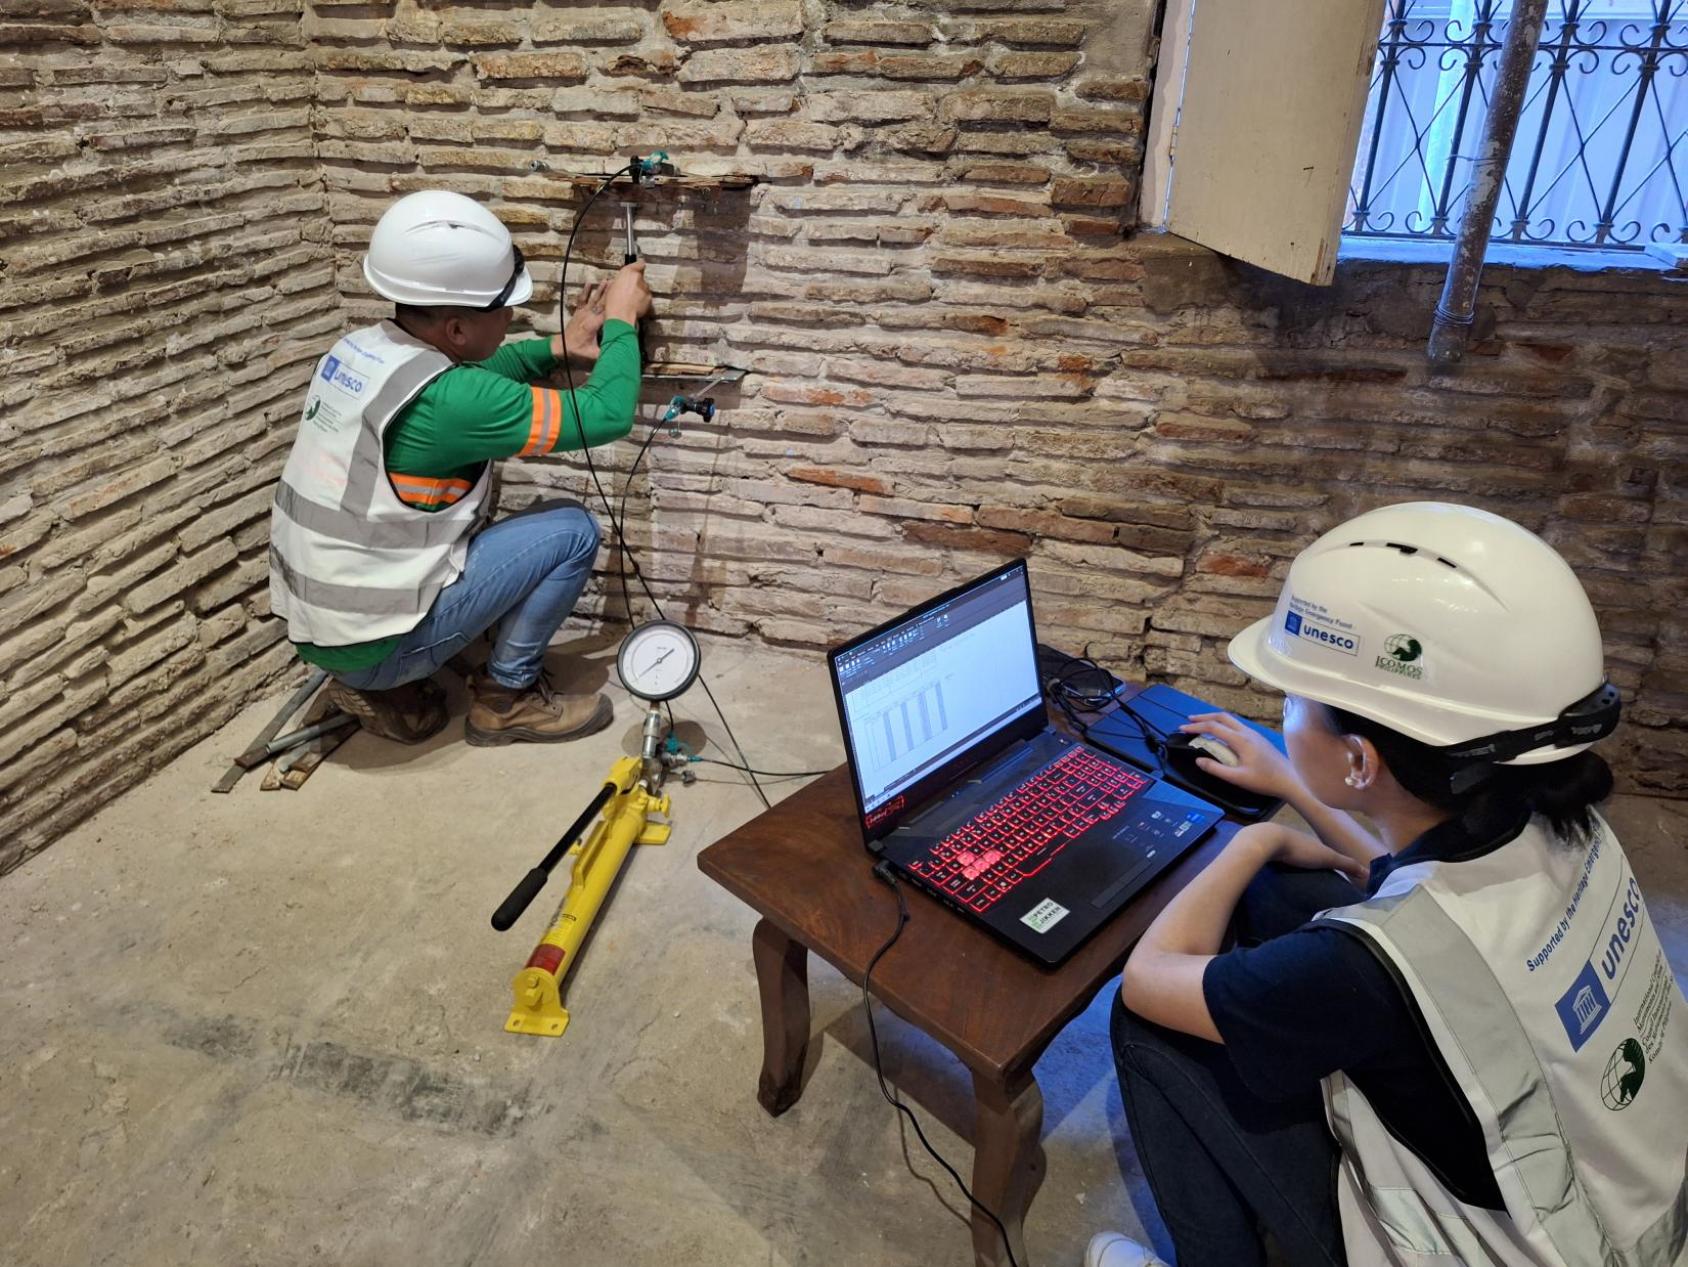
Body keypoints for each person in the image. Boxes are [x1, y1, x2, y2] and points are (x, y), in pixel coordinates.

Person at [1085, 502, 1688, 1267]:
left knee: (1149, 1029)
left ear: (1362, 762)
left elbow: (1147, 980)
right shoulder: (1558, 823)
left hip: (1482, 1249)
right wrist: (1292, 781)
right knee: (1288, 899)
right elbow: (1413, 891)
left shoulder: (1360, 969)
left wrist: (1260, 836)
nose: (1283, 712)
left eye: (1294, 701)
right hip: (1630, 1196)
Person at [268, 190, 652, 747]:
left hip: (323, 628)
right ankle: (505, 701)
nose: (511, 317)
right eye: (504, 310)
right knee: (571, 532)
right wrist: (621, 320)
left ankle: (401, 681)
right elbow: (607, 413)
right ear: (454, 329)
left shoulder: (360, 349)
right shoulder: (453, 400)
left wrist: (558, 347)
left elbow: (475, 370)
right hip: (374, 646)